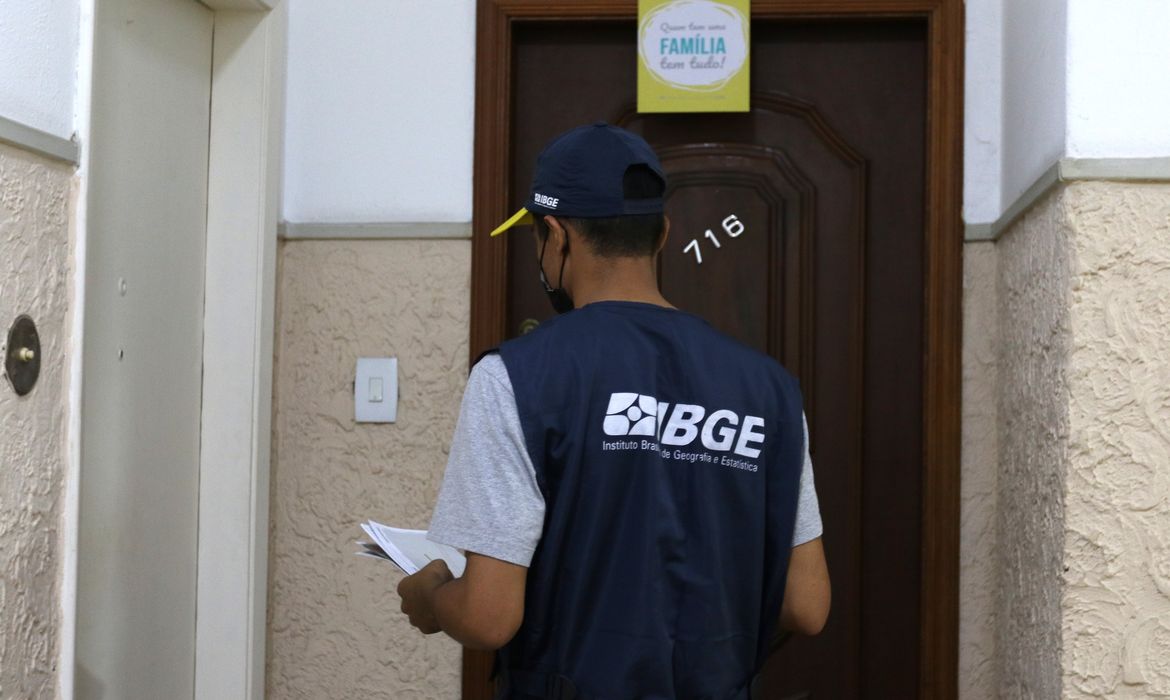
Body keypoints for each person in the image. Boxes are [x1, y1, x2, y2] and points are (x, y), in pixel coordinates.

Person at [397, 123, 830, 699]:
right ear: (663, 235)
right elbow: (807, 605)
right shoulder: (771, 390)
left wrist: (429, 595)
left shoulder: (517, 376)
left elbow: (486, 616)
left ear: (557, 235)